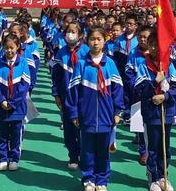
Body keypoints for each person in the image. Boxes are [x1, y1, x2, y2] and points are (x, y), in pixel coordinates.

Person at [65, 26, 124, 191]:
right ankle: (88, 179)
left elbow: (118, 89)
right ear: (87, 41)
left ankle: (102, 180)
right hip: (87, 115)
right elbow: (73, 90)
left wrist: (117, 111)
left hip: (106, 116)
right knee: (87, 150)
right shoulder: (82, 64)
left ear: (104, 41)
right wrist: (74, 113)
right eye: (92, 39)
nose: (95, 42)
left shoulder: (110, 64)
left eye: (99, 39)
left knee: (103, 151)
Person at [134, 32, 176, 191]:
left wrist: (165, 96)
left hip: (166, 113)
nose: (154, 47)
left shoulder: (169, 65)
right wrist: (156, 81)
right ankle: (152, 177)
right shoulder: (143, 65)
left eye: (157, 44)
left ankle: (163, 176)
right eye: (151, 44)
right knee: (153, 148)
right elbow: (139, 89)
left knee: (165, 148)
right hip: (151, 114)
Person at [51, 21, 89, 169]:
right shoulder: (62, 53)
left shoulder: (86, 52)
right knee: (69, 129)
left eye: (74, 31)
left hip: (84, 97)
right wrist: (56, 94)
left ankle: (83, 154)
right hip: (67, 97)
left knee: (83, 128)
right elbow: (56, 75)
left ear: (80, 35)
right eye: (68, 31)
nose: (70, 34)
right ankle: (73, 156)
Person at [0, 33, 31, 171]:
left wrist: (12, 103)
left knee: (15, 135)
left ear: (17, 47)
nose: (9, 50)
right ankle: (2, 158)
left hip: (17, 109)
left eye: (12, 48)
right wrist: (1, 100)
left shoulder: (23, 64)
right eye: (6, 48)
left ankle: (14, 158)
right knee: (1, 135)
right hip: (1, 108)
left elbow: (24, 86)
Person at [125, 25, 152, 164]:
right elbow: (129, 73)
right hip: (138, 95)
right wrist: (137, 87)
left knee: (153, 125)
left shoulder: (156, 54)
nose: (142, 39)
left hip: (154, 97)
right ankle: (143, 151)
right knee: (139, 124)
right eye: (140, 37)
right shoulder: (133, 54)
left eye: (145, 37)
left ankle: (152, 151)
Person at [113, 15, 138, 124]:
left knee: (135, 93)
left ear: (135, 26)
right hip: (122, 69)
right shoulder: (120, 39)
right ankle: (127, 115)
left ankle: (135, 116)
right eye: (127, 23)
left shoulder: (138, 38)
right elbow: (116, 56)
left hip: (135, 71)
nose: (128, 26)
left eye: (131, 24)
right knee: (125, 93)